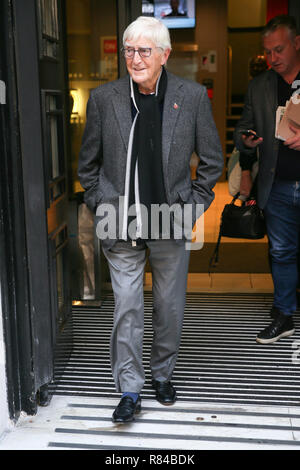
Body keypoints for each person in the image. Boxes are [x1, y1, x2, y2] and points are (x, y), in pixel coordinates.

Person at [78, 16, 223, 422]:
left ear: (165, 55)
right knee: (126, 305)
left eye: (144, 50)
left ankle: (162, 374)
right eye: (129, 50)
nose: (135, 58)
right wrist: (100, 200)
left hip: (168, 219)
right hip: (118, 220)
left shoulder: (191, 97)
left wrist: (191, 208)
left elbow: (212, 163)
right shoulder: (104, 99)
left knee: (168, 305)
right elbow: (87, 166)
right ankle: (129, 388)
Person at [234, 15, 300, 344]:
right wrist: (245, 140)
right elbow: (243, 126)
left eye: (279, 49)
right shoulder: (259, 86)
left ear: (297, 43)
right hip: (277, 185)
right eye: (268, 52)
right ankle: (285, 314)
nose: (273, 58)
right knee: (282, 252)